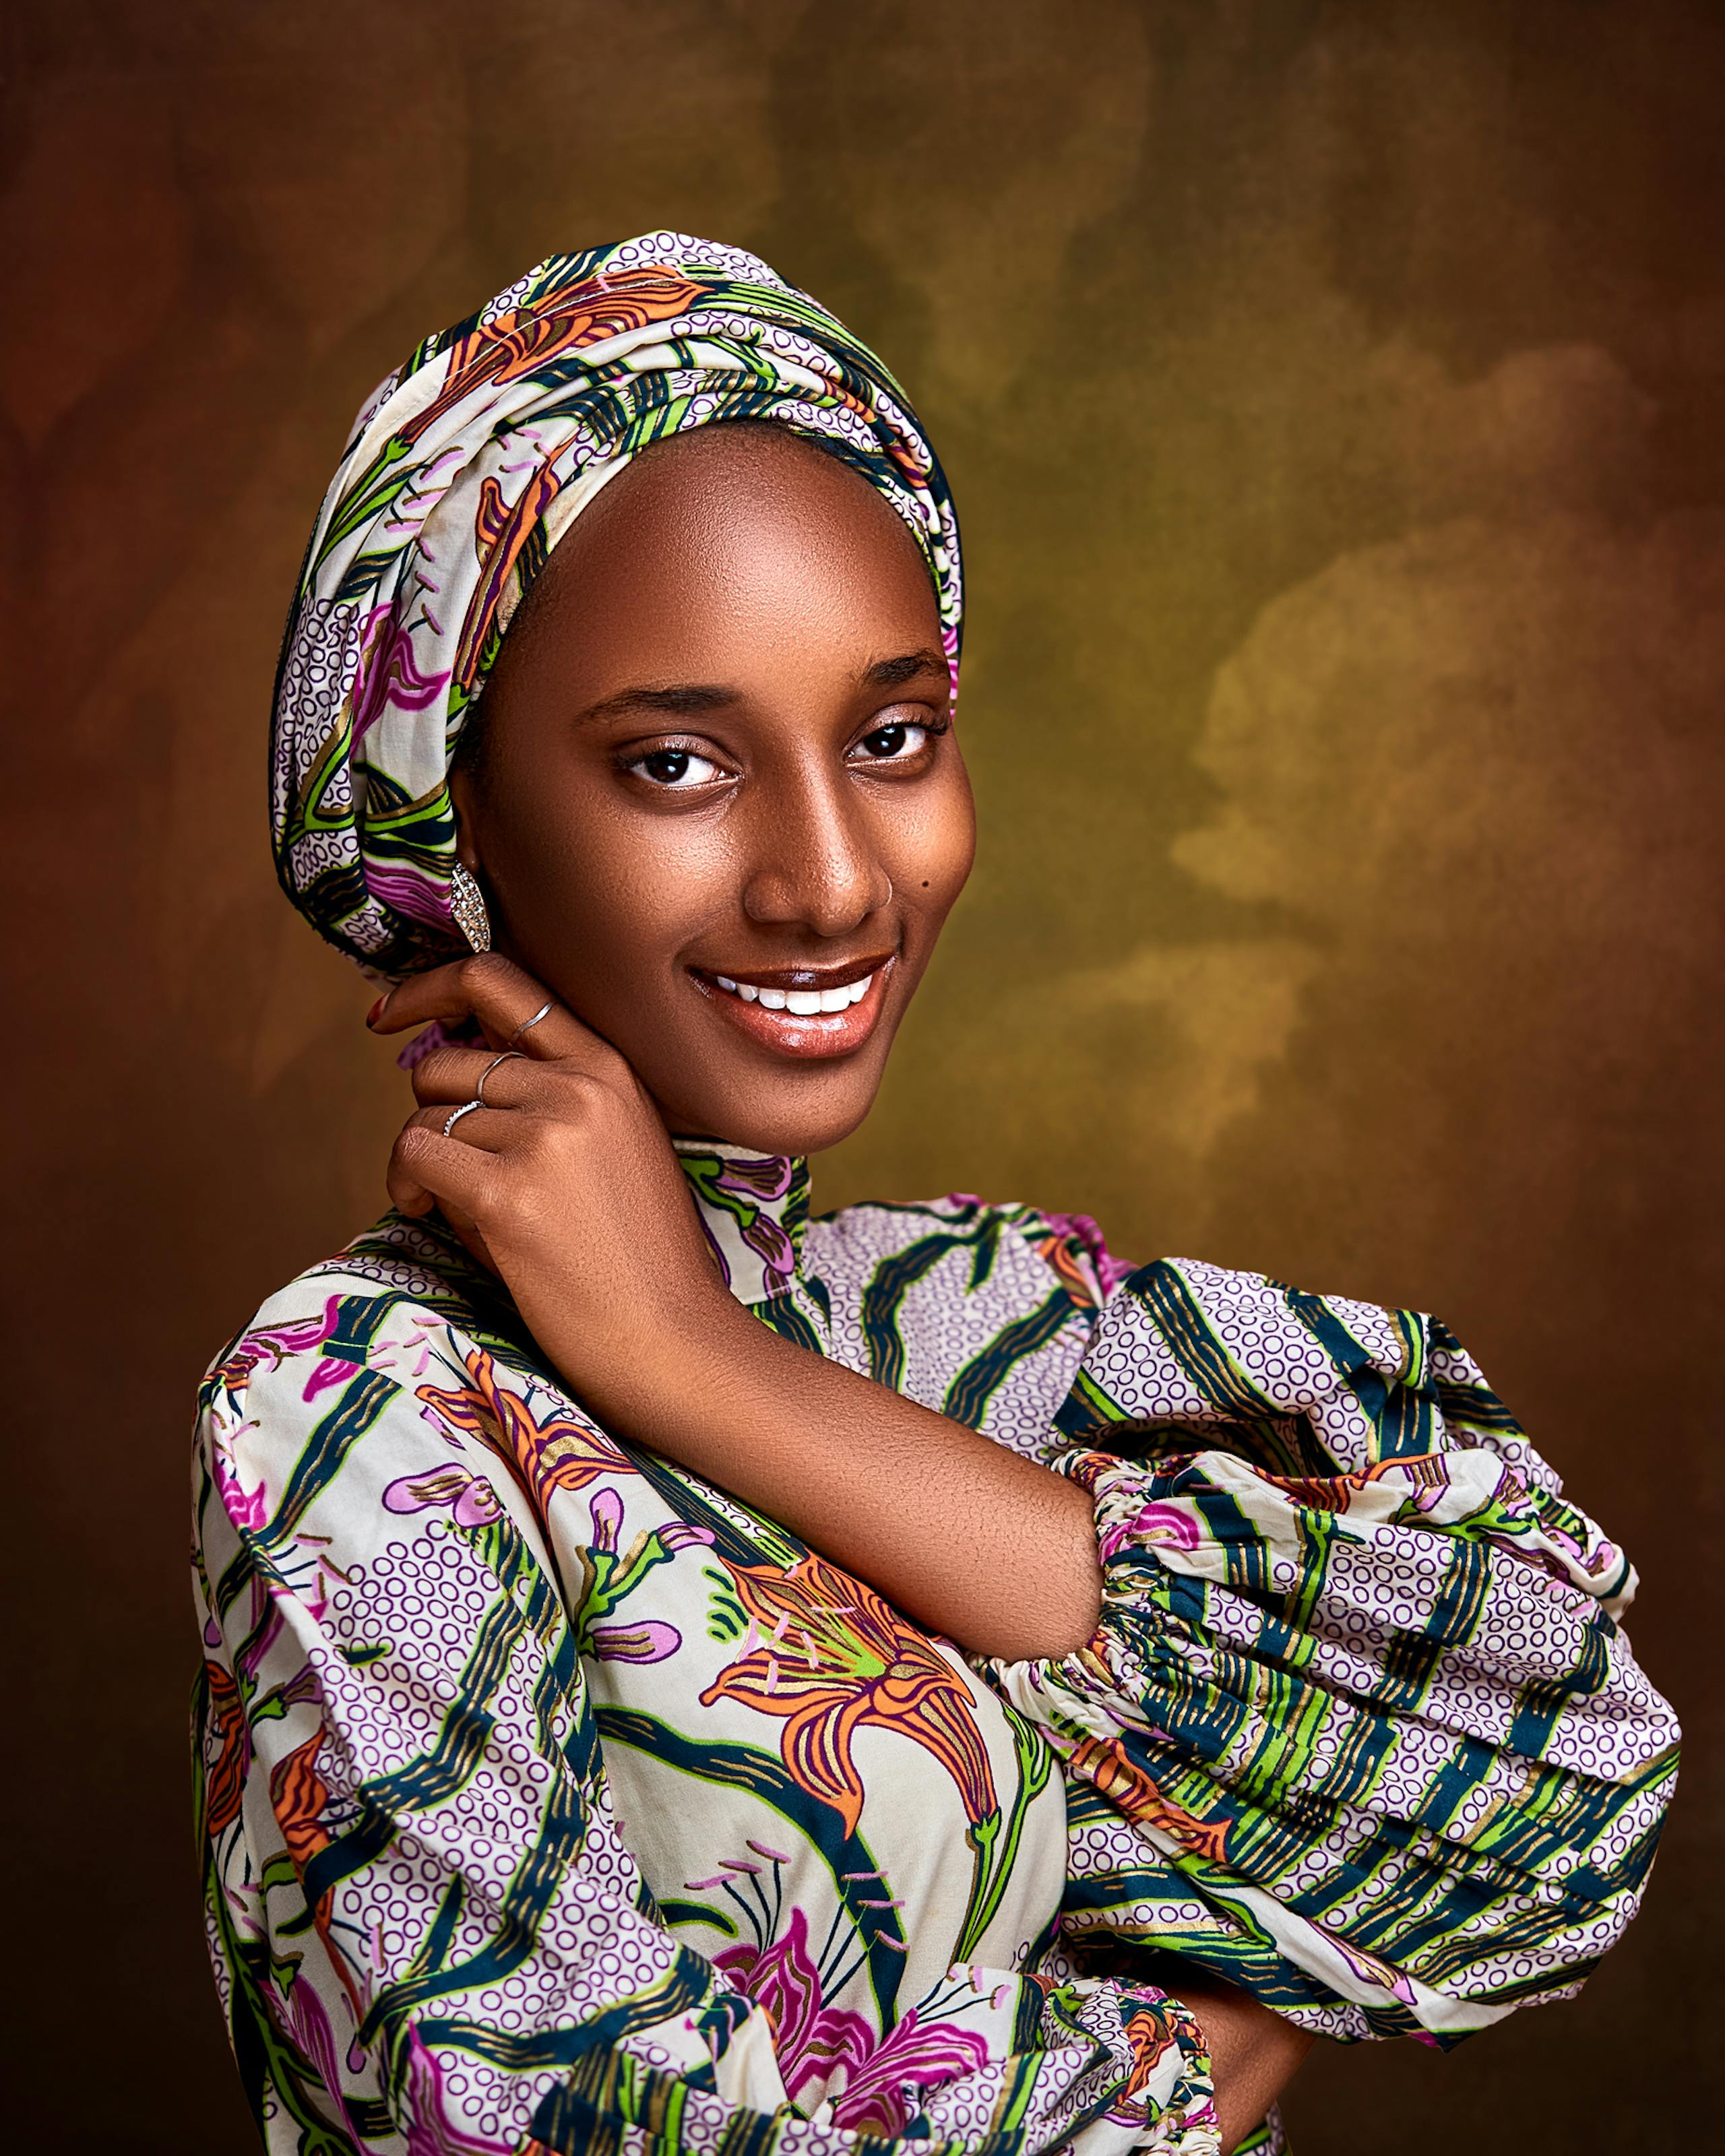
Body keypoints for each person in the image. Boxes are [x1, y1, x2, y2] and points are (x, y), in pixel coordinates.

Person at [194, 233, 1679, 2156]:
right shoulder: (356, 1408)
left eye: (892, 737)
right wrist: (1198, 2055)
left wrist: (706, 1363)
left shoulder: (985, 1311)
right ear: (447, 802)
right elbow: (520, 2117)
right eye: (675, 763)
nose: (833, 881)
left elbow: (1565, 1774)